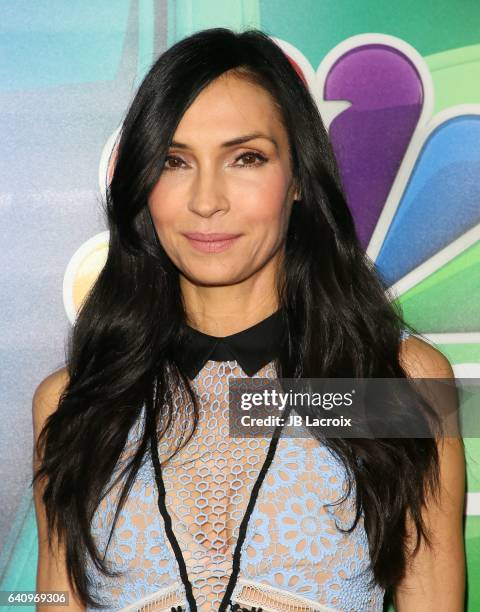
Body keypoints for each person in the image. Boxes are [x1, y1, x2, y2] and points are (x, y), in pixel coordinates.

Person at [32, 27, 466, 612]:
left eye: (246, 158)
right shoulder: (74, 400)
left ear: (298, 180)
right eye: (174, 161)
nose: (207, 199)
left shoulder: (396, 383)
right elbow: (52, 598)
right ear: (142, 185)